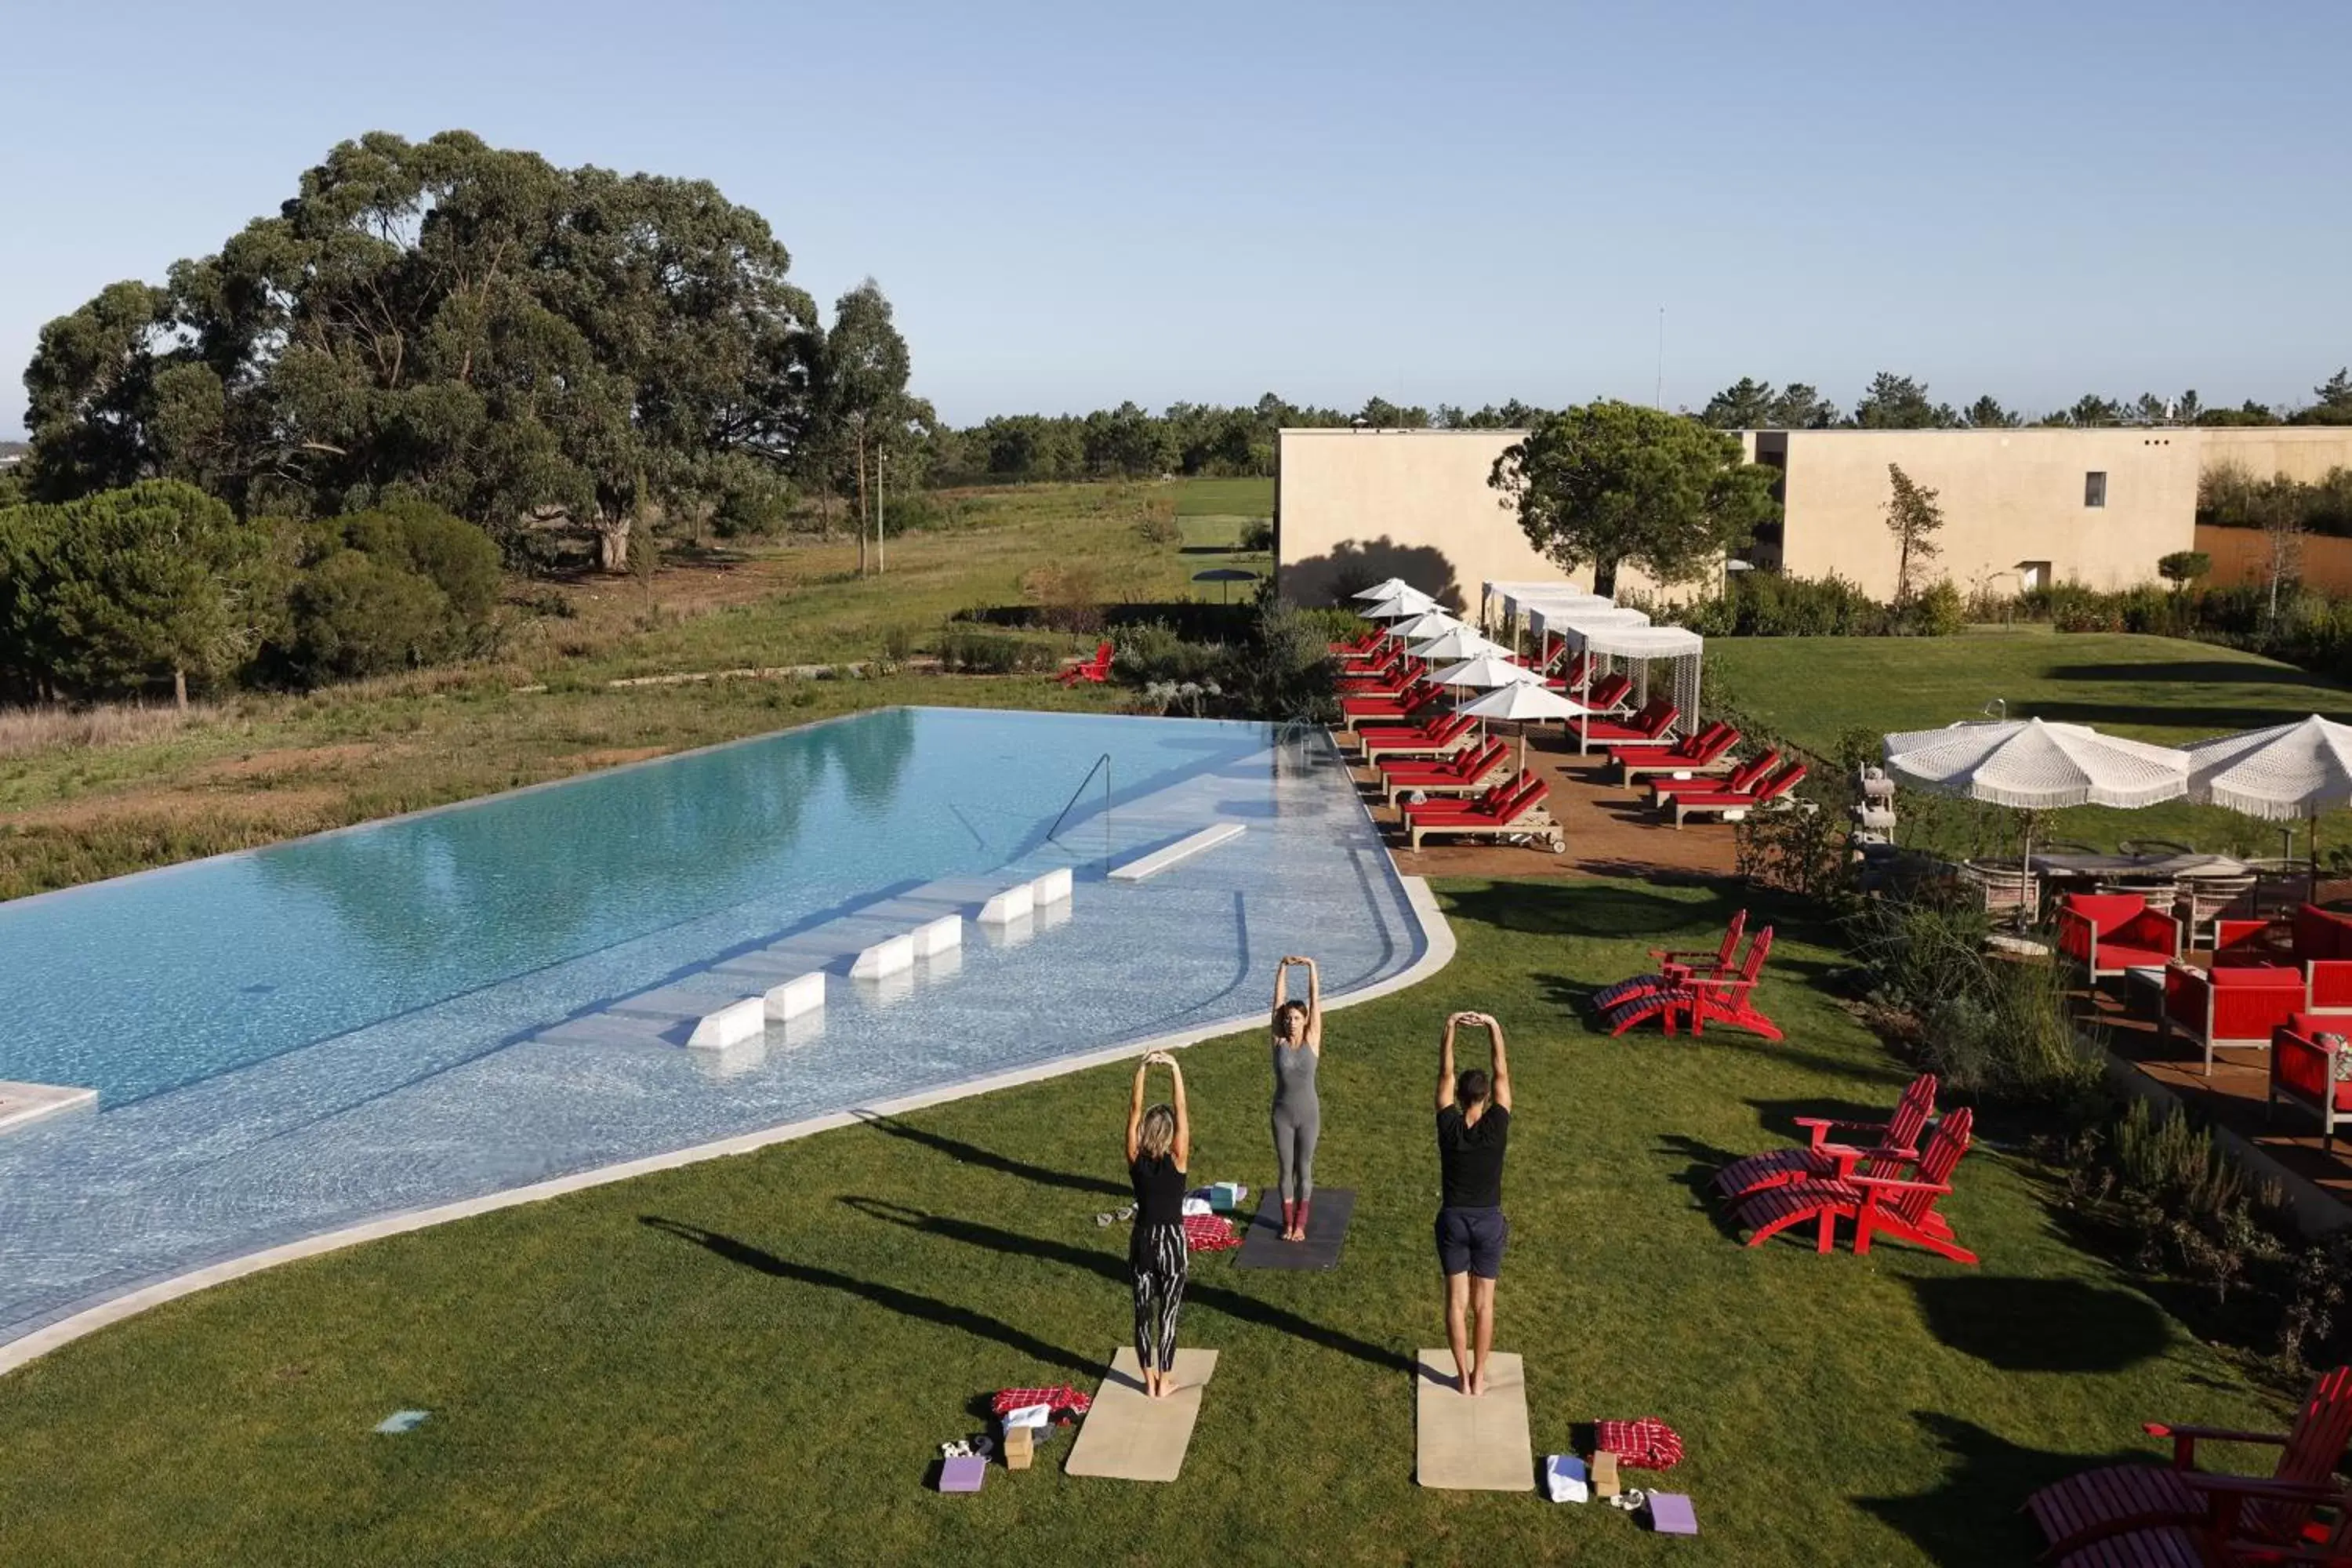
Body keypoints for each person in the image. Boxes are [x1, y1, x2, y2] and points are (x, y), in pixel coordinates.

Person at [1434, 1011, 1512, 1397]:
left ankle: (1461, 1377)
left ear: (1461, 1096)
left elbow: (1444, 1076)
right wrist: (1493, 1028)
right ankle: (1480, 1377)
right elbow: (1503, 1075)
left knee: (1456, 1301)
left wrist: (1449, 1029)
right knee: (1484, 1305)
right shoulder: (1497, 1127)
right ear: (1484, 1097)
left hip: (1453, 1221)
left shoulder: (1448, 1127)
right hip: (1488, 1223)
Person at [1124, 1049, 1192, 1399]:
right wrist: (1175, 1069)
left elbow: (1135, 1112)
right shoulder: (1178, 1161)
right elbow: (1182, 1114)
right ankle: (1165, 1381)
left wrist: (1142, 1070)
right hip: (1172, 1242)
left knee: (1142, 1311)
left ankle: (1149, 1379)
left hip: (1143, 1239)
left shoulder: (1135, 1161)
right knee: (1168, 1313)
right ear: (1168, 1136)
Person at [1269, 955, 1323, 1243]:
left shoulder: (1312, 1040)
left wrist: (1311, 967)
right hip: (1282, 1116)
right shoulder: (1278, 1042)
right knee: (1284, 1169)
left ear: (1305, 1022)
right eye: (1288, 1018)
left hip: (1308, 1116)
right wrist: (1283, 969)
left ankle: (1300, 1225)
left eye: (1297, 1018)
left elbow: (1316, 1002)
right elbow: (1277, 1002)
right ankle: (1287, 1223)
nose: (1291, 1022)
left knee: (1304, 1168)